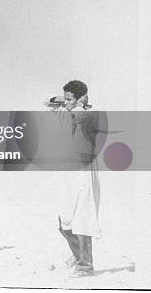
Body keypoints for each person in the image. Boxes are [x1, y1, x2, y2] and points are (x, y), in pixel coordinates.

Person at [50, 80, 100, 277]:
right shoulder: (70, 110)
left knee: (83, 218)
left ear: (80, 100)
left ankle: (86, 265)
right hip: (69, 170)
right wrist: (65, 100)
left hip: (84, 171)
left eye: (69, 99)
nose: (66, 103)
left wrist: (78, 103)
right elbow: (49, 101)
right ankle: (78, 253)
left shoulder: (87, 115)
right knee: (64, 218)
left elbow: (80, 115)